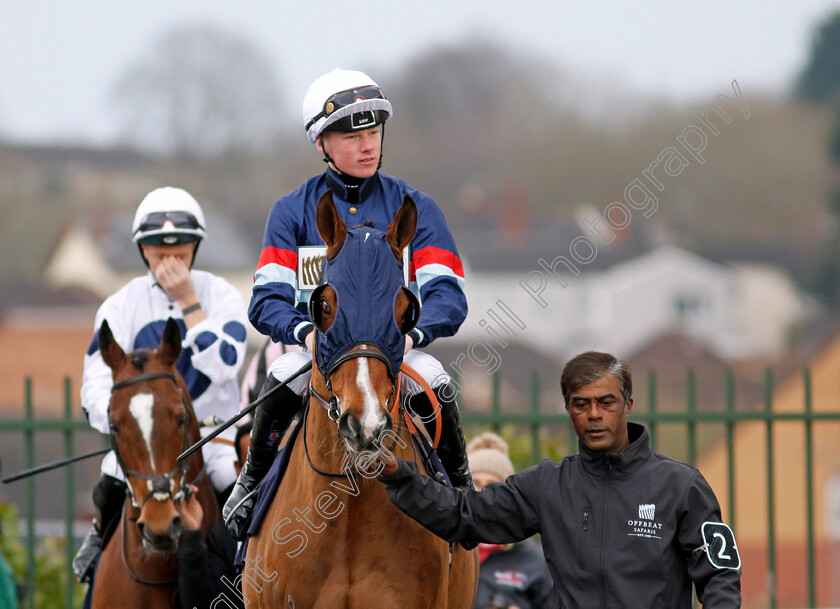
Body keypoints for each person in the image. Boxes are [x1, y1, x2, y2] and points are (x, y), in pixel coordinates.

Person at [223, 68, 472, 540]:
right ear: (321, 143)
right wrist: (304, 333)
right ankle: (250, 486)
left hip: (395, 352)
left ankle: (462, 496)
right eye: (351, 135)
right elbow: (266, 300)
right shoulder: (292, 211)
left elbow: (449, 295)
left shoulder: (417, 207)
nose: (368, 145)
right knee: (280, 376)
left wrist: (412, 334)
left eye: (374, 131)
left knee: (437, 380)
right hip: (318, 353)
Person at [377, 351, 742, 609]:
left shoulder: (681, 485)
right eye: (581, 404)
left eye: (606, 402)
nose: (594, 415)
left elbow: (720, 574)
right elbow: (465, 514)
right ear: (568, 409)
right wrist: (400, 477)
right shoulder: (548, 485)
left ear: (628, 405)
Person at [72, 186, 248, 583]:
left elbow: (224, 365)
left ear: (195, 248)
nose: (170, 260)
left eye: (181, 252)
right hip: (147, 444)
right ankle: (96, 554)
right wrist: (128, 423)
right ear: (142, 252)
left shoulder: (220, 295)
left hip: (213, 438)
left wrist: (188, 301)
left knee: (237, 495)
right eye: (159, 252)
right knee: (110, 485)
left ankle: (247, 575)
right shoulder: (120, 304)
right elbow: (94, 390)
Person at [467, 432, 554, 609]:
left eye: (491, 483)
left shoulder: (533, 559)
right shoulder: (447, 550)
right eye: (474, 481)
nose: (482, 491)